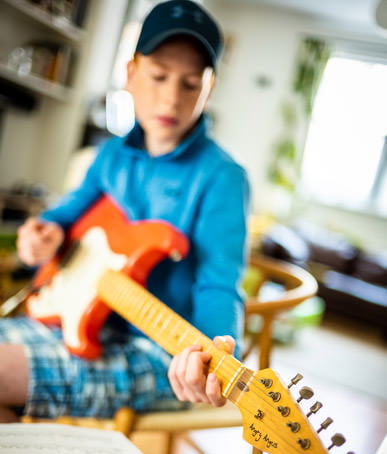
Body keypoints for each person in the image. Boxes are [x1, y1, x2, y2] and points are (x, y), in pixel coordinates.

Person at [0, 0, 250, 422]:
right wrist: (41, 236)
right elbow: (64, 215)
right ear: (131, 74)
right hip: (74, 315)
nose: (171, 98)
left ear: (210, 89)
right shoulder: (111, 154)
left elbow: (219, 285)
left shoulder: (223, 177)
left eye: (191, 84)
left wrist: (213, 356)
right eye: (158, 76)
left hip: (157, 352)